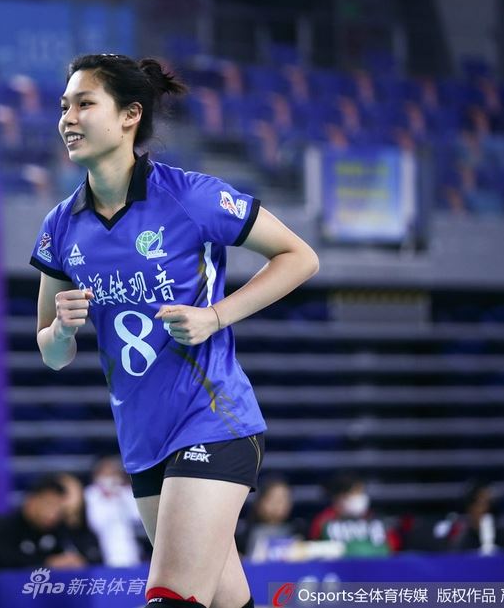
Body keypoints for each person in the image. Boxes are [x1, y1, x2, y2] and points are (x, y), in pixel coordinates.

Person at [30, 54, 319, 608]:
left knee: (170, 597)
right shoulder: (61, 225)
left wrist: (217, 315)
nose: (68, 118)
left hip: (213, 420)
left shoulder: (190, 196)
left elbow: (299, 257)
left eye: (85, 103)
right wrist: (62, 332)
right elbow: (50, 353)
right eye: (64, 106)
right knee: (225, 601)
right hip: (143, 441)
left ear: (129, 115)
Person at [0, 476, 85, 582]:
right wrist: (47, 563)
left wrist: (73, 561)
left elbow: (77, 552)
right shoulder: (5, 526)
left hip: (48, 589)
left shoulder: (59, 527)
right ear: (31, 501)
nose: (53, 514)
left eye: (59, 509)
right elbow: (5, 561)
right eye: (49, 504)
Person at [308, 473, 398, 557]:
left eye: (361, 492)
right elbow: (314, 549)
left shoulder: (374, 519)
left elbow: (392, 547)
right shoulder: (323, 521)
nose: (360, 497)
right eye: (355, 493)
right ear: (340, 496)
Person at [84, 455, 144, 566]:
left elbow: (137, 516)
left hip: (131, 551)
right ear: (97, 475)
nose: (110, 478)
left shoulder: (126, 492)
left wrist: (119, 496)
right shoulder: (91, 494)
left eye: (113, 473)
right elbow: (95, 522)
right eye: (106, 474)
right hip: (102, 552)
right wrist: (106, 498)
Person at [237, 476, 302, 561]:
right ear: (260, 502)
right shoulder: (244, 535)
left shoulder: (298, 531)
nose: (278, 504)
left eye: (284, 499)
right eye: (273, 499)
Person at [56, 472, 104, 565]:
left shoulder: (94, 523)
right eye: (63, 492)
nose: (69, 499)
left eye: (74, 491)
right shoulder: (52, 531)